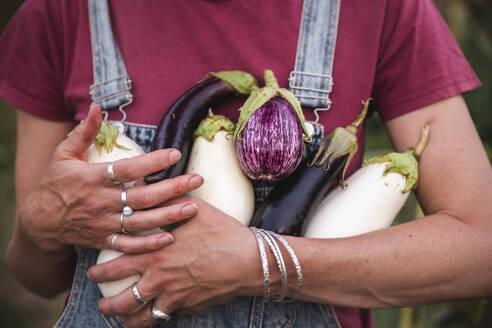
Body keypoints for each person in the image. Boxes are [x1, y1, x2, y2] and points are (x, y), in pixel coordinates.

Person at [1, 0, 491, 327]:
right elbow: (38, 277)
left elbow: (480, 248)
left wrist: (260, 264)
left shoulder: (381, 9)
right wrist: (40, 223)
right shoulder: (58, 13)